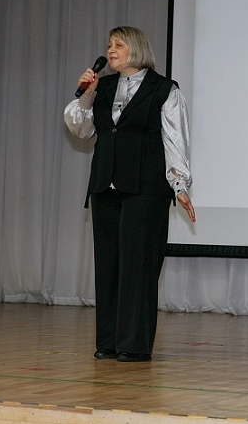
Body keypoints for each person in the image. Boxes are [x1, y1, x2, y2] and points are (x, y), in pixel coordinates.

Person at [64, 26, 196, 363]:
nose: (111, 50)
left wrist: (180, 185)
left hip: (146, 189)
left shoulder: (163, 89)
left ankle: (134, 344)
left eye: (118, 45)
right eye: (109, 45)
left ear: (136, 49)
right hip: (105, 186)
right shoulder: (103, 87)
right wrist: (87, 94)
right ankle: (109, 340)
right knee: (108, 265)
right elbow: (80, 129)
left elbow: (175, 140)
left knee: (138, 266)